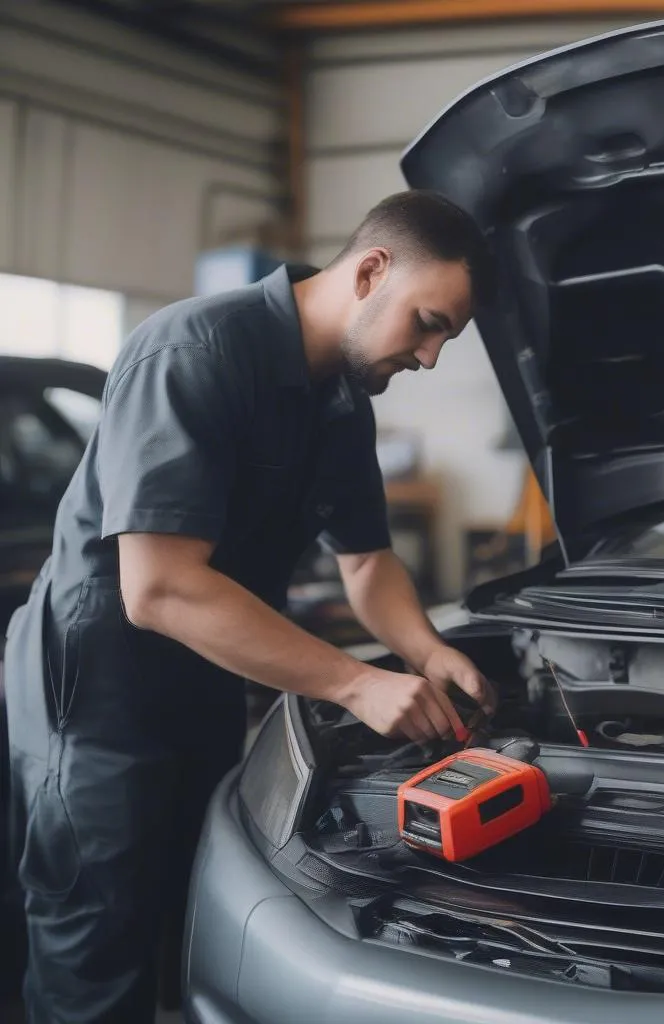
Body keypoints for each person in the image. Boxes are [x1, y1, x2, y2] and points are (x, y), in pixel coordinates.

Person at [3, 189, 497, 1022]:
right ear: (371, 270)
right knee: (95, 945)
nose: (431, 356)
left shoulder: (342, 400)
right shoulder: (194, 353)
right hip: (95, 694)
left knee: (185, 916)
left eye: (447, 334)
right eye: (429, 322)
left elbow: (367, 561)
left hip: (207, 680)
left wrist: (425, 651)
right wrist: (354, 683)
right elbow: (157, 587)